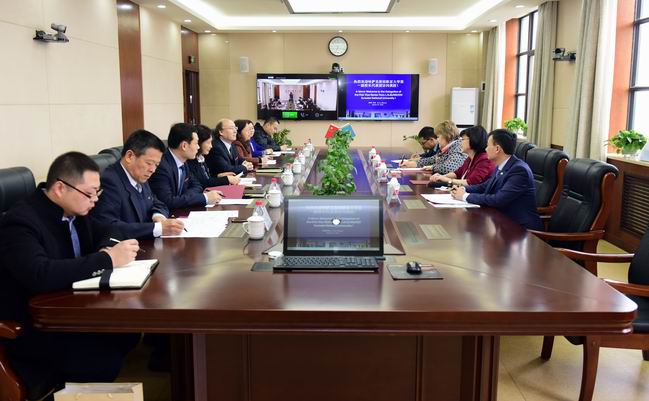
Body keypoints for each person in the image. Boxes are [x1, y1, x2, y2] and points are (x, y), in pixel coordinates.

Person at [0, 152, 141, 401]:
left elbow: (110, 229)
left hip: (71, 310)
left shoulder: (74, 211)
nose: (95, 201)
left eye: (97, 193)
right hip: (34, 326)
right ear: (60, 188)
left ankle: (86, 392)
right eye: (89, 193)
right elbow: (40, 274)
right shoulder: (20, 222)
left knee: (128, 332)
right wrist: (107, 259)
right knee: (102, 359)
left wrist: (106, 248)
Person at [92, 130, 185, 239]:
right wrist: (158, 228)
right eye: (149, 163)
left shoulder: (138, 175)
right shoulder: (109, 181)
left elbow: (156, 202)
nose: (153, 170)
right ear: (129, 156)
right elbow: (109, 226)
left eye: (156, 165)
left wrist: (158, 216)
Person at [451, 129, 543, 230]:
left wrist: (465, 196)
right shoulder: (501, 165)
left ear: (497, 149)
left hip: (520, 229)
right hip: (502, 222)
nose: (485, 149)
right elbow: (485, 186)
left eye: (487, 145)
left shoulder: (519, 170)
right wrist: (464, 189)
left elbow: (498, 199)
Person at [149, 123, 222, 209]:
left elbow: (197, 185)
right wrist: (205, 197)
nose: (198, 147)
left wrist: (182, 198)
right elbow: (167, 201)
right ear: (184, 146)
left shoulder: (183, 161)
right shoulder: (162, 166)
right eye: (196, 143)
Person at [429, 125, 495, 187]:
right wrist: (440, 176)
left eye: (462, 139)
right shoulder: (470, 158)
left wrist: (447, 180)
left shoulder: (484, 160)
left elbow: (470, 183)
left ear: (473, 140)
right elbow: (457, 173)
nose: (460, 142)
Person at [401, 120, 467, 174]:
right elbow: (432, 159)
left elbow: (449, 168)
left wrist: (432, 167)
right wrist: (414, 164)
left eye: (438, 137)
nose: (437, 140)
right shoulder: (447, 148)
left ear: (447, 136)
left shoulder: (458, 147)